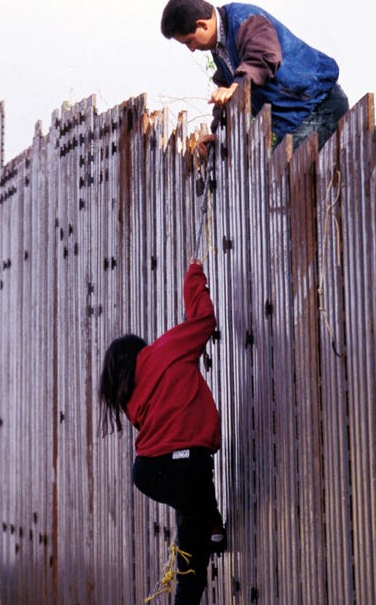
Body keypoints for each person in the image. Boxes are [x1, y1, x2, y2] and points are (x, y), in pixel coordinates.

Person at [99, 257, 225, 605]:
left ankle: (214, 530)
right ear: (142, 350)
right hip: (185, 463)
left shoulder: (131, 396)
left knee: (193, 507)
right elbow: (201, 318)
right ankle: (208, 534)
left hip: (149, 471)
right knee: (192, 548)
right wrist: (193, 273)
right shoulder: (164, 350)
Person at [161, 0, 349, 156]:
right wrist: (218, 135)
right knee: (272, 173)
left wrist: (236, 86)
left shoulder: (245, 20)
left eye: (189, 41)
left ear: (202, 24)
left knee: (283, 172)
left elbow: (265, 56)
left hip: (320, 106)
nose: (192, 49)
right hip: (296, 120)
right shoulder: (220, 49)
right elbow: (225, 92)